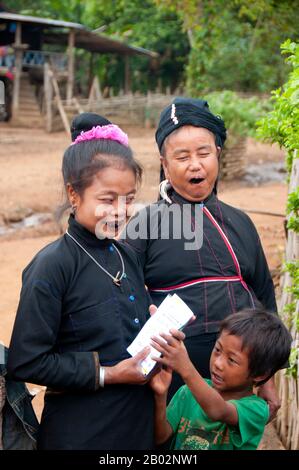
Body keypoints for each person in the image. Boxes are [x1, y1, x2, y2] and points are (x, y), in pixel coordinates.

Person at [123, 97, 280, 416]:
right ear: (165, 165)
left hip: (236, 390)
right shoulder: (145, 224)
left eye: (203, 153)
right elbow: (125, 301)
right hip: (169, 385)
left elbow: (264, 297)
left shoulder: (241, 223)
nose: (195, 164)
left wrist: (268, 377)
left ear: (218, 155)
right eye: (182, 156)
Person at [7, 115, 156, 450]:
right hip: (81, 433)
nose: (120, 210)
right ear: (74, 194)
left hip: (137, 426)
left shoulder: (126, 256)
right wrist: (109, 373)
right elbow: (26, 361)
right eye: (107, 199)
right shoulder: (52, 266)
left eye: (129, 198)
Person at [150, 308, 292, 450]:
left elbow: (218, 411)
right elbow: (161, 437)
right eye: (217, 350)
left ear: (260, 374)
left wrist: (185, 367)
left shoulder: (256, 410)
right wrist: (160, 395)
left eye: (231, 360)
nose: (218, 363)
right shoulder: (187, 393)